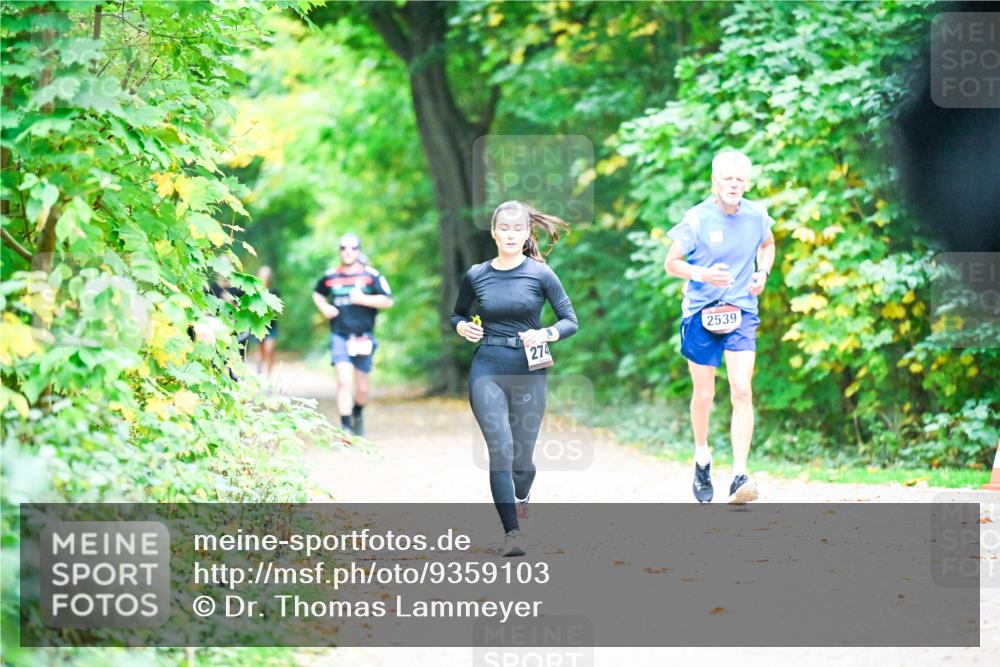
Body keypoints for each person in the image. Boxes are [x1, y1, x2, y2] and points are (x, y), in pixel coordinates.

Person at [451, 201, 578, 557]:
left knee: (521, 460)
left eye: (517, 229)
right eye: (503, 228)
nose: (510, 234)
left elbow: (570, 320)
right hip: (487, 367)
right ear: (493, 232)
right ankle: (512, 533)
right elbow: (457, 314)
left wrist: (547, 334)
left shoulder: (541, 274)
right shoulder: (476, 275)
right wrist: (463, 327)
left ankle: (522, 493)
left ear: (527, 233)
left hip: (529, 368)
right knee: (501, 451)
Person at [664, 150, 776, 504]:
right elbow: (671, 263)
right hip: (701, 313)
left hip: (742, 311)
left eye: (740, 180)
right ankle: (701, 456)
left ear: (747, 183)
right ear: (715, 181)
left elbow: (768, 245)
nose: (734, 185)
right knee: (705, 395)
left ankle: (740, 474)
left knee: (742, 389)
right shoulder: (696, 219)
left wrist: (762, 272)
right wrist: (703, 274)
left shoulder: (757, 214)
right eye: (728, 179)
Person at [312, 233, 393, 436]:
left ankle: (357, 412)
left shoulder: (371, 275)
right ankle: (346, 428)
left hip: (363, 338)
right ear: (340, 251)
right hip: (339, 335)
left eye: (352, 248)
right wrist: (324, 307)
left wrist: (363, 299)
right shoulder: (331, 276)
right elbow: (317, 292)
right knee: (343, 380)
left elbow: (388, 301)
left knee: (362, 389)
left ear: (358, 251)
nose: (348, 251)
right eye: (343, 248)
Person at [254, 265, 280, 377]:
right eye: (262, 276)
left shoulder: (274, 292)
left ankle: (269, 376)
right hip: (258, 325)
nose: (264, 278)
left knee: (269, 350)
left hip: (271, 326)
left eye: (266, 276)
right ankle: (259, 373)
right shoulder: (253, 292)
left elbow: (276, 309)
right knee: (260, 353)